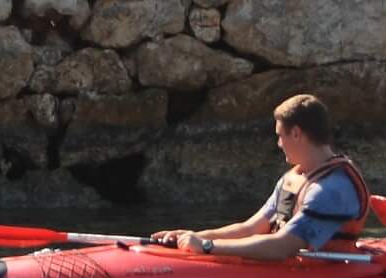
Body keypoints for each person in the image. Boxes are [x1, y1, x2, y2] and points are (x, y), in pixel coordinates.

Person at [148, 94, 370, 260]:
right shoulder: (296, 178)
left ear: (296, 133)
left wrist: (208, 247)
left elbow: (283, 246)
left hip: (326, 273)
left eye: (280, 136)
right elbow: (250, 229)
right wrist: (190, 237)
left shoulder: (332, 189)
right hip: (294, 265)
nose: (279, 144)